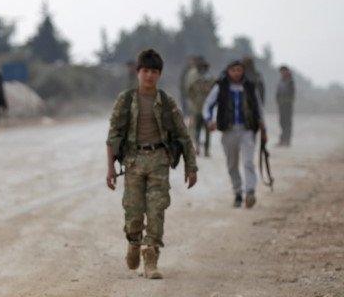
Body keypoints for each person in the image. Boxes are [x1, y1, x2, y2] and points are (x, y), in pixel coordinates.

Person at [106, 49, 197, 280]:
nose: (149, 76)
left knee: (156, 211)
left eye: (154, 72)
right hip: (133, 161)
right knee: (133, 213)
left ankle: (151, 259)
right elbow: (113, 136)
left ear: (159, 74)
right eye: (145, 71)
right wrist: (110, 169)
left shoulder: (166, 102)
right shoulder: (125, 100)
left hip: (159, 162)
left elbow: (183, 136)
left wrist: (191, 167)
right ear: (138, 73)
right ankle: (134, 243)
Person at [203, 60, 267, 208]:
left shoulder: (250, 87)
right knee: (232, 164)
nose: (237, 73)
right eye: (233, 70)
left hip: (247, 130)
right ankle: (238, 192)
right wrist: (209, 120)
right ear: (228, 71)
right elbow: (207, 105)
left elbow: (259, 108)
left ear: (243, 71)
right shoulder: (221, 86)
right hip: (228, 131)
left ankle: (250, 192)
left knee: (248, 162)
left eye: (239, 70)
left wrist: (264, 129)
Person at [185, 57, 214, 157]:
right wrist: (193, 101)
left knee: (207, 130)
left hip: (206, 108)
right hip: (197, 107)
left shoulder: (210, 78)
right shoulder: (194, 77)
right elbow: (189, 91)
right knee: (197, 128)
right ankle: (197, 146)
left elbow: (214, 92)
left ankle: (206, 149)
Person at [276, 65, 295, 146]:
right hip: (281, 105)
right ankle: (282, 140)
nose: (283, 73)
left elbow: (292, 94)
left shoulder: (290, 81)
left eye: (284, 71)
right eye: (281, 72)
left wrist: (287, 101)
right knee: (282, 122)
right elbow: (277, 93)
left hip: (288, 105)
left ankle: (287, 140)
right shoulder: (280, 81)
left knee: (287, 123)